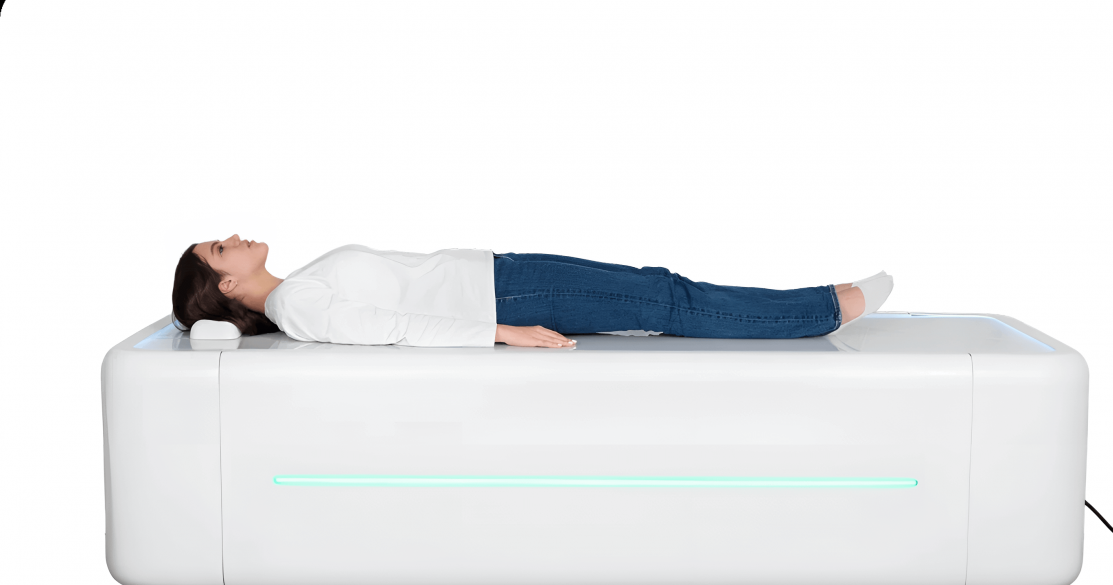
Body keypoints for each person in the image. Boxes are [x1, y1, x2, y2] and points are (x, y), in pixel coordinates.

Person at [171, 235, 893, 348]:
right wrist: (501, 333)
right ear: (227, 283)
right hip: (503, 301)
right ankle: (821, 309)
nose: (231, 234)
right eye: (219, 247)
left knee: (658, 291)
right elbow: (391, 326)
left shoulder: (297, 288)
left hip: (501, 277)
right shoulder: (294, 304)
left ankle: (815, 302)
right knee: (662, 298)